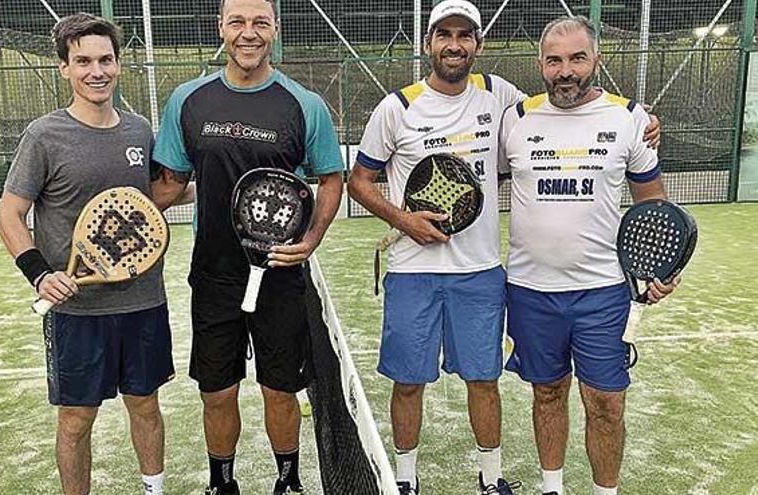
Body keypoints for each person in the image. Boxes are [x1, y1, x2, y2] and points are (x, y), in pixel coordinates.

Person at [150, 0, 345, 493]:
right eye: (237, 21)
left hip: (280, 275)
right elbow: (169, 183)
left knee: (280, 390)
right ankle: (223, 483)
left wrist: (311, 240)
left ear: (275, 29)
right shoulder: (188, 101)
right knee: (217, 392)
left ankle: (288, 481)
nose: (248, 33)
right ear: (221, 28)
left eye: (260, 22)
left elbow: (331, 179)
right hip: (214, 277)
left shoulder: (305, 105)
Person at [348, 1, 524, 493]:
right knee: (408, 381)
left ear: (477, 45)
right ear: (428, 43)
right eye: (444, 34)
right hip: (411, 272)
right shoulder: (397, 107)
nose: (454, 44)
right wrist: (405, 220)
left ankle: (491, 478)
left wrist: (639, 121)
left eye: (464, 35)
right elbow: (359, 181)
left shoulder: (499, 94)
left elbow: (554, 113)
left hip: (480, 271)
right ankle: (406, 480)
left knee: (483, 380)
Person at [498, 16, 678, 495]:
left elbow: (654, 207)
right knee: (548, 392)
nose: (566, 71)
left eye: (577, 58)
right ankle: (551, 488)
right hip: (531, 290)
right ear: (540, 65)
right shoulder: (515, 119)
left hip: (603, 293)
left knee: (606, 403)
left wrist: (661, 272)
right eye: (555, 60)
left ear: (596, 60)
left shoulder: (630, 119)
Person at [0, 14, 173, 495]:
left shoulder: (139, 131)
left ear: (118, 64)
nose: (97, 71)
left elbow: (151, 199)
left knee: (146, 405)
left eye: (106, 59)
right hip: (76, 310)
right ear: (65, 69)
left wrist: (217, 179)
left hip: (143, 301)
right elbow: (10, 215)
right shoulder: (43, 136)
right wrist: (39, 274)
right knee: (76, 419)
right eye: (84, 61)